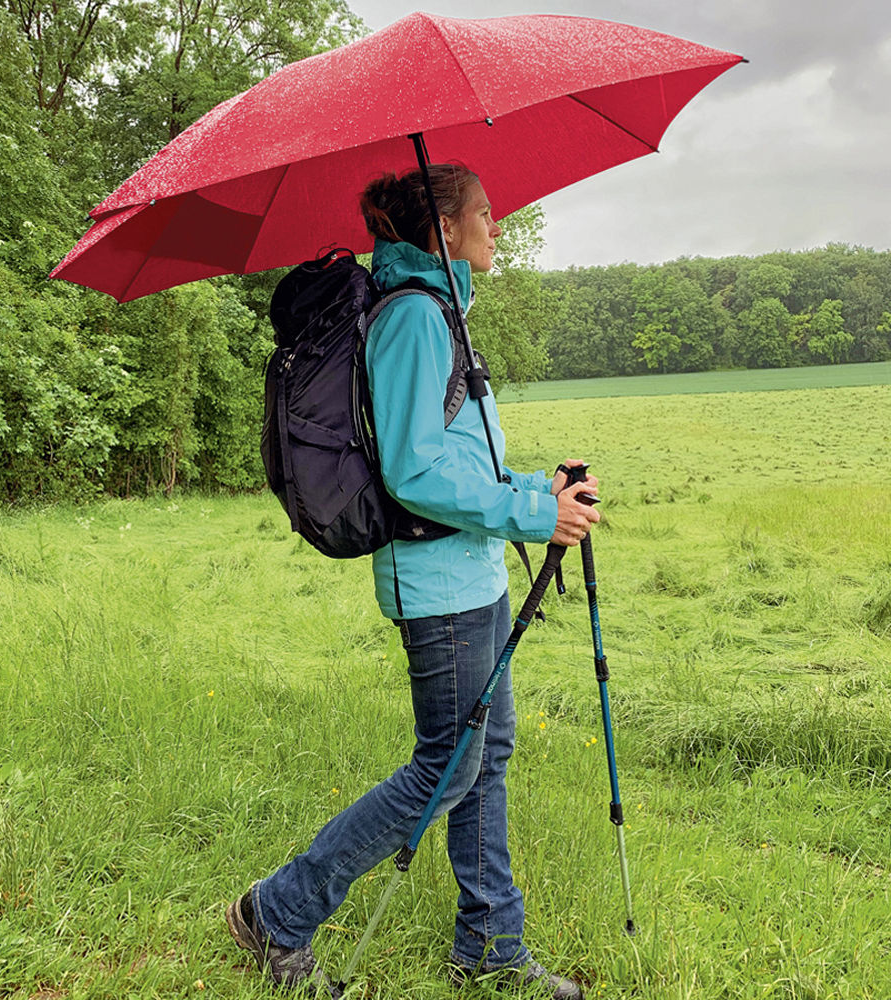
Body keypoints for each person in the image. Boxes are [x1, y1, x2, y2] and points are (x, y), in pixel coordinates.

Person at [227, 164, 600, 999]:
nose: (496, 226)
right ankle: (277, 913)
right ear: (441, 231)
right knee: (446, 767)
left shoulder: (446, 315)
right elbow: (414, 474)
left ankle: (492, 948)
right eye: (483, 213)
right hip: (438, 589)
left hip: (469, 574)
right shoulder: (414, 323)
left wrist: (542, 490)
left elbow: (465, 462)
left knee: (482, 758)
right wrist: (534, 520)